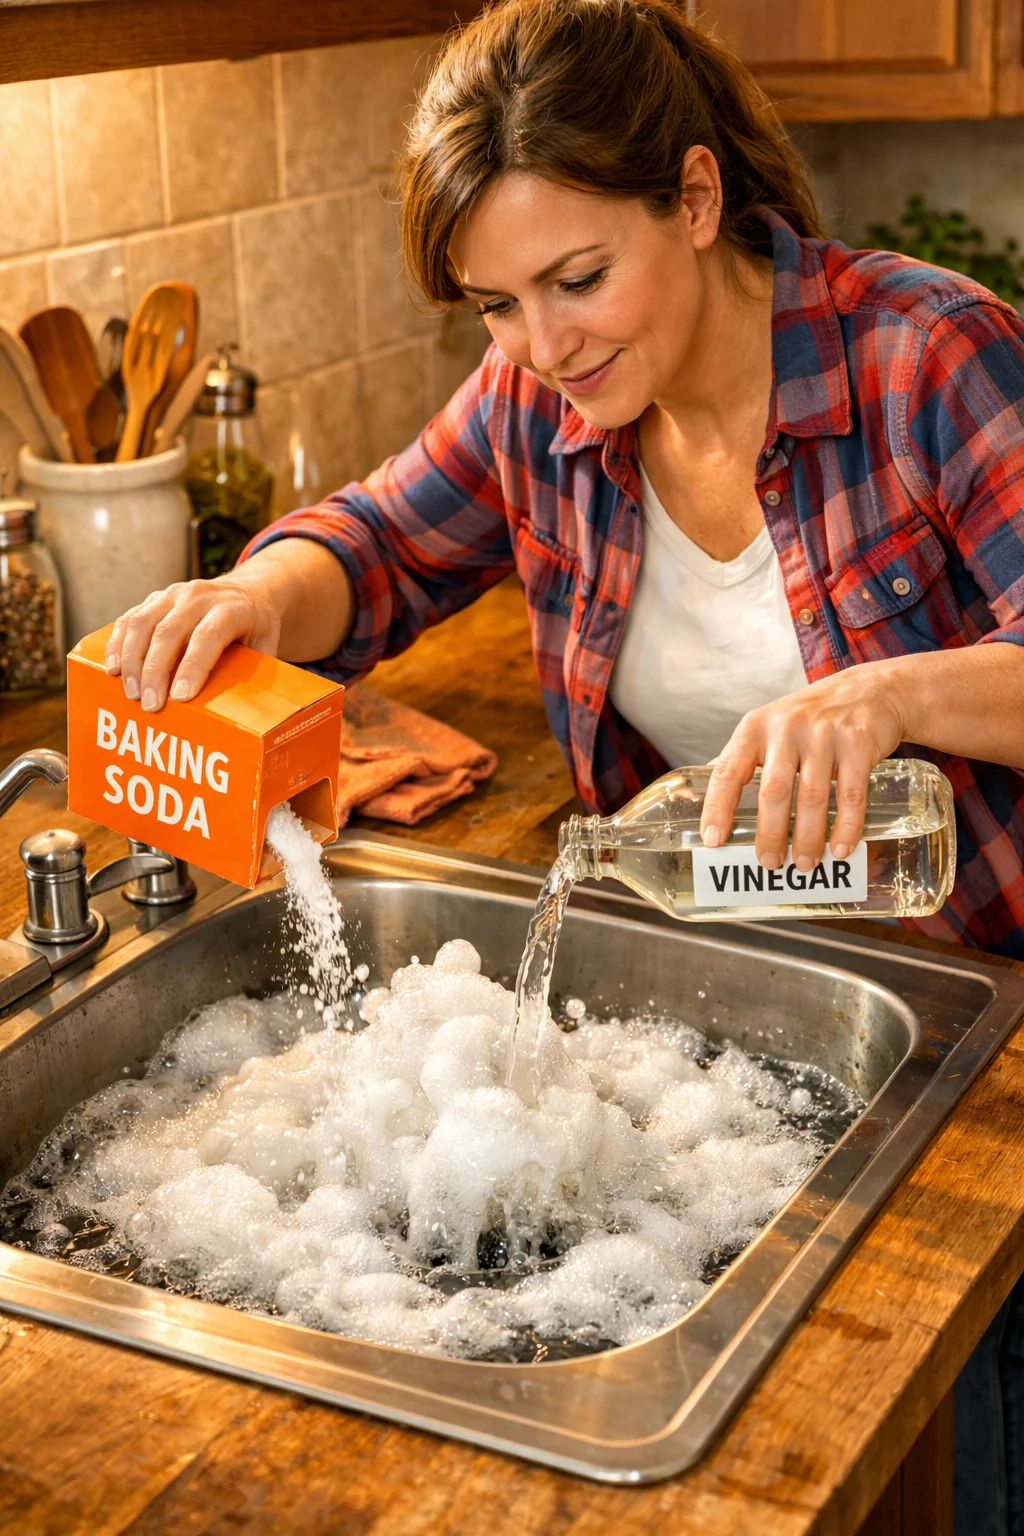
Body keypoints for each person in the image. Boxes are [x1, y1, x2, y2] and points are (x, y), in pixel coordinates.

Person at [105, 3, 1023, 1521]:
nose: (543, 345)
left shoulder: (925, 356)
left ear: (699, 195)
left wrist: (892, 695)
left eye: (578, 279)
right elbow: (381, 539)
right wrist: (259, 596)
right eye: (494, 305)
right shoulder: (548, 400)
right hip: (745, 993)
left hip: (982, 1008)